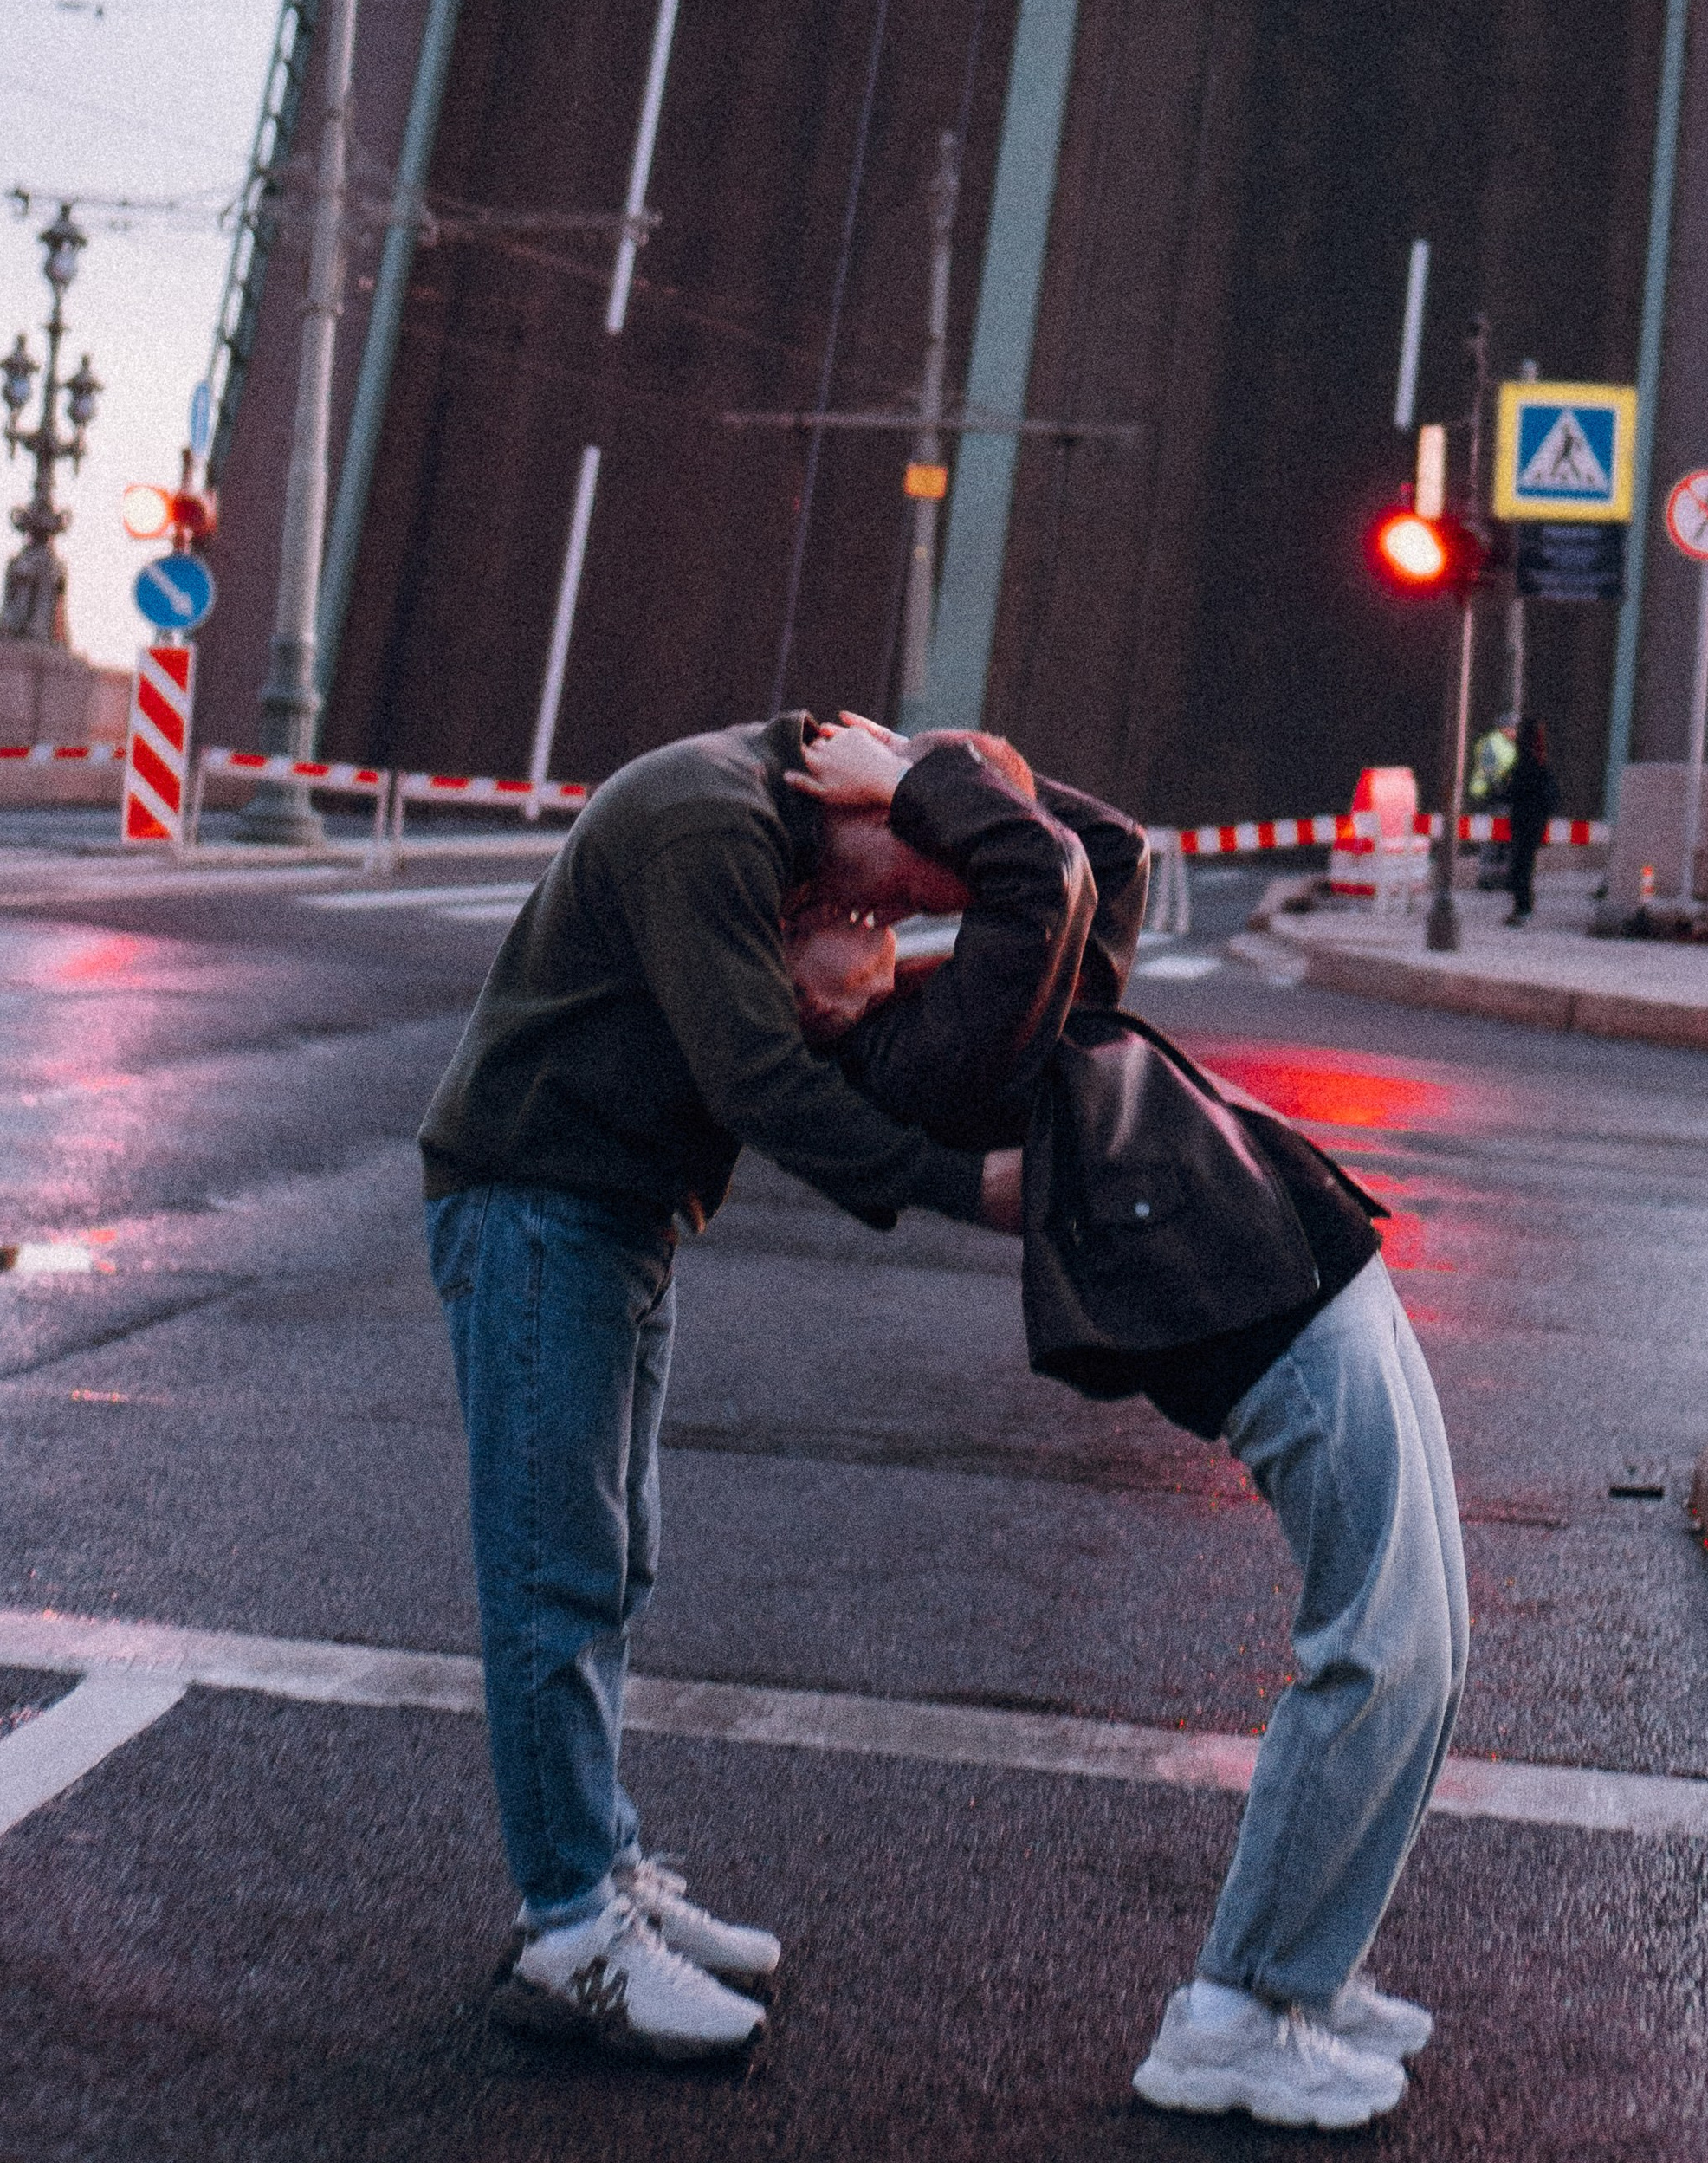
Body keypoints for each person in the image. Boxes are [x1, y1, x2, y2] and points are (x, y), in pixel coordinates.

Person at [786, 727, 1469, 2134]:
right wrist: (917, 775)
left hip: (1313, 1273)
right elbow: (1035, 879)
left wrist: (957, 777)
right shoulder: (921, 1058)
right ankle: (1235, 2014)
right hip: (1264, 1316)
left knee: (1430, 1647)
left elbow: (1108, 864)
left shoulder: (985, 1005)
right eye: (818, 925)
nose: (862, 918)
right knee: (1376, 1652)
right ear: (788, 1003)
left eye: (867, 902)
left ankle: (1310, 1977)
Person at [418, 709, 1032, 2060]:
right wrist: (958, 1189)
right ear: (870, 808)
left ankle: (604, 1861)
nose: (881, 920)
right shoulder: (713, 824)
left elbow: (1087, 856)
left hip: (619, 1212)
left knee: (614, 1563)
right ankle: (570, 1931)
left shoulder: (792, 821)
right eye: (900, 891)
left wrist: (944, 817)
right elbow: (756, 1077)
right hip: (538, 1206)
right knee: (554, 1575)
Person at [1495, 714, 1557, 925]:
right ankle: (1524, 906)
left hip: (1523, 820)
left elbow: (1515, 791)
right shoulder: (1542, 761)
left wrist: (1503, 791)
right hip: (1535, 821)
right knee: (1524, 864)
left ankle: (1522, 908)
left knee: (1520, 865)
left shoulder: (1525, 762)